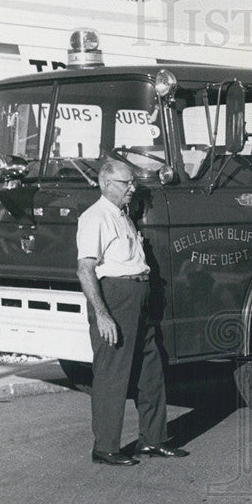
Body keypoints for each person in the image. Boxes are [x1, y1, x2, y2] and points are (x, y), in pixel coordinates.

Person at [76, 158, 188, 465]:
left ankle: (152, 440)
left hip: (139, 296)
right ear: (106, 184)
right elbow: (85, 269)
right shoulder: (95, 217)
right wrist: (102, 314)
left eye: (132, 183)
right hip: (116, 297)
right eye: (127, 183)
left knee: (150, 370)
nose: (132, 188)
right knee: (112, 374)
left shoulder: (122, 215)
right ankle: (105, 447)